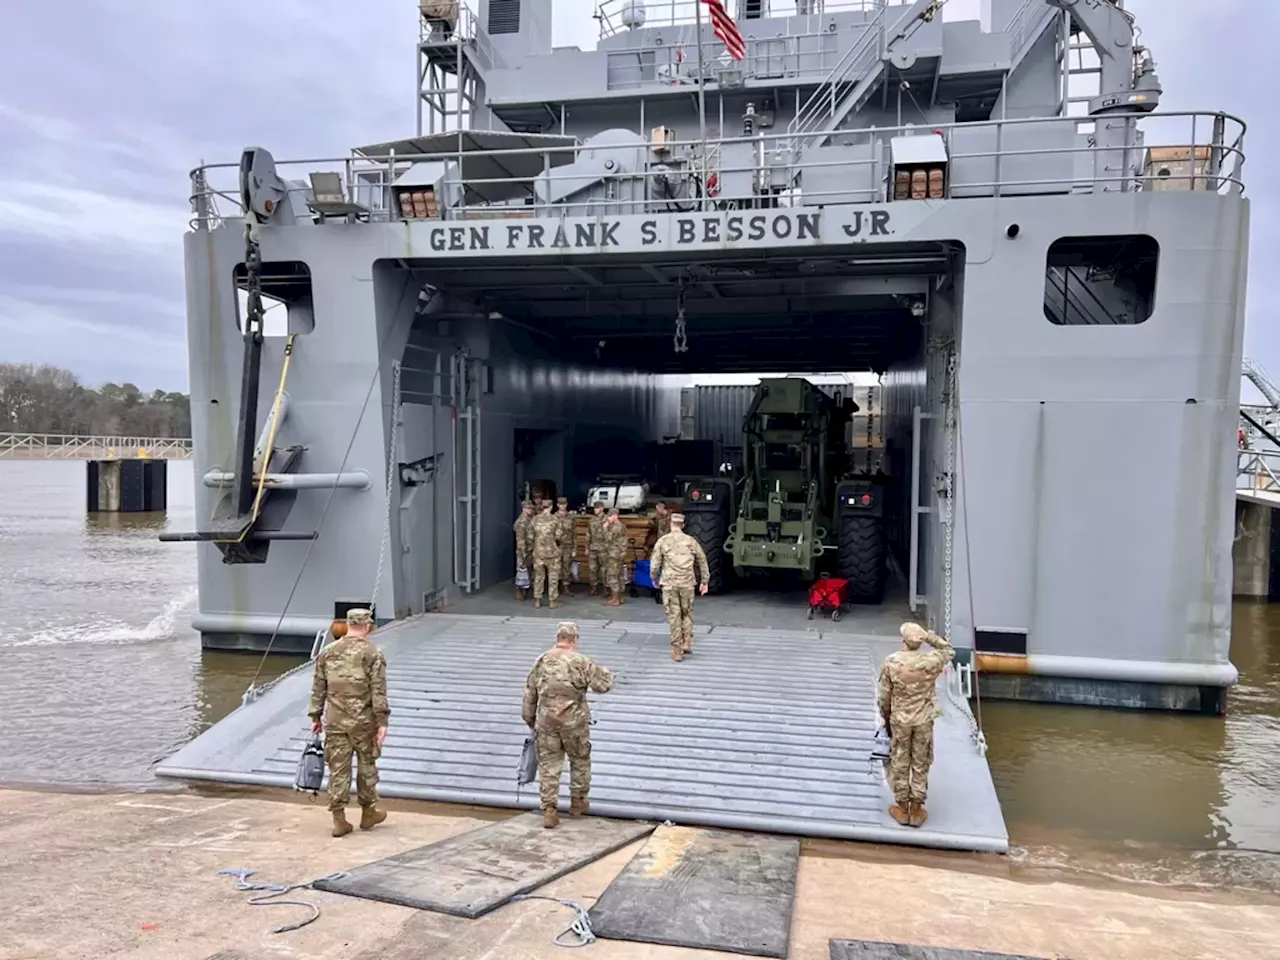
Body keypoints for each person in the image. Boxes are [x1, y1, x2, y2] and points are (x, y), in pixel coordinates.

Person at [521, 621, 615, 828]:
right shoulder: (581, 661)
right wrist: (607, 672)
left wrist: (530, 719)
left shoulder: (542, 660)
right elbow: (603, 686)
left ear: (558, 637)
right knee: (580, 760)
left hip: (546, 722)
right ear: (574, 639)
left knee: (548, 766)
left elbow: (530, 693)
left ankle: (549, 810)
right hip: (575, 723)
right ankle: (578, 803)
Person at [307, 608, 390, 837]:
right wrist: (382, 721)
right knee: (366, 767)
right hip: (364, 723)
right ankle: (368, 812)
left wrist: (315, 716)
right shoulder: (373, 653)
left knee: (338, 769)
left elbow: (318, 688)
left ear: (348, 624)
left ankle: (339, 819)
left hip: (334, 721)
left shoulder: (327, 652)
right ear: (367, 626)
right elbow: (378, 691)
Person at [876, 622, 954, 828]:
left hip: (900, 720)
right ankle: (917, 809)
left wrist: (885, 716)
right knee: (921, 761)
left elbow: (884, 697)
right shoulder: (931, 662)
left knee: (900, 760)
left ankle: (902, 808)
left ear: (903, 640)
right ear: (918, 642)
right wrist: (928, 636)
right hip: (923, 720)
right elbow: (948, 650)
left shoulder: (891, 663)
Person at [649, 513, 709, 661]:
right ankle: (687, 642)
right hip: (687, 583)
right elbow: (702, 560)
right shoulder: (691, 541)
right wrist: (705, 581)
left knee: (674, 615)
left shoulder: (663, 541)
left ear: (670, 524)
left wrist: (654, 578)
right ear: (682, 525)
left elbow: (654, 564)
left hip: (669, 583)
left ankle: (676, 649)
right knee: (686, 613)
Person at [530, 500, 562, 609]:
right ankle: (552, 601)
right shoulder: (555, 519)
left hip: (538, 553)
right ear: (551, 507)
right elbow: (558, 536)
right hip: (552, 554)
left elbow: (530, 536)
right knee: (553, 578)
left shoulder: (535, 519)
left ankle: (537, 600)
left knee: (538, 577)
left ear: (542, 507)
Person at [600, 508, 628, 607]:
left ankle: (615, 599)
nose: (608, 519)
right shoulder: (619, 525)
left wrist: (604, 528)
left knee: (613, 576)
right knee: (618, 575)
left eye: (609, 516)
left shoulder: (617, 527)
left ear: (615, 516)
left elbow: (608, 538)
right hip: (617, 553)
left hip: (614, 554)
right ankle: (619, 597)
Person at [513, 500, 535, 601]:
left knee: (530, 571)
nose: (530, 510)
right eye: (528, 508)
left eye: (531, 508)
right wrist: (523, 553)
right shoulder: (521, 522)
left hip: (532, 549)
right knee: (521, 570)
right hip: (523, 550)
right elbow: (520, 540)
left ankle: (527, 590)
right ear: (523, 509)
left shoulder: (532, 519)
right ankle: (519, 591)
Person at [586, 501, 607, 596]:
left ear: (602, 508)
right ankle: (593, 587)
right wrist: (586, 547)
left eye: (597, 508)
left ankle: (606, 588)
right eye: (594, 508)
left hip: (604, 548)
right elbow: (588, 534)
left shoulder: (607, 519)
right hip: (593, 548)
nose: (595, 510)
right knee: (592, 569)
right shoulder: (591, 520)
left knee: (604, 569)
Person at [555, 497, 575, 596]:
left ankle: (566, 587)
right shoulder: (554, 517)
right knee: (556, 566)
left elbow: (574, 533)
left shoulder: (570, 517)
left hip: (568, 545)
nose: (563, 506)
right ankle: (556, 587)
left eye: (564, 504)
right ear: (557, 505)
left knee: (566, 566)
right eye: (561, 504)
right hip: (557, 546)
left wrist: (574, 547)